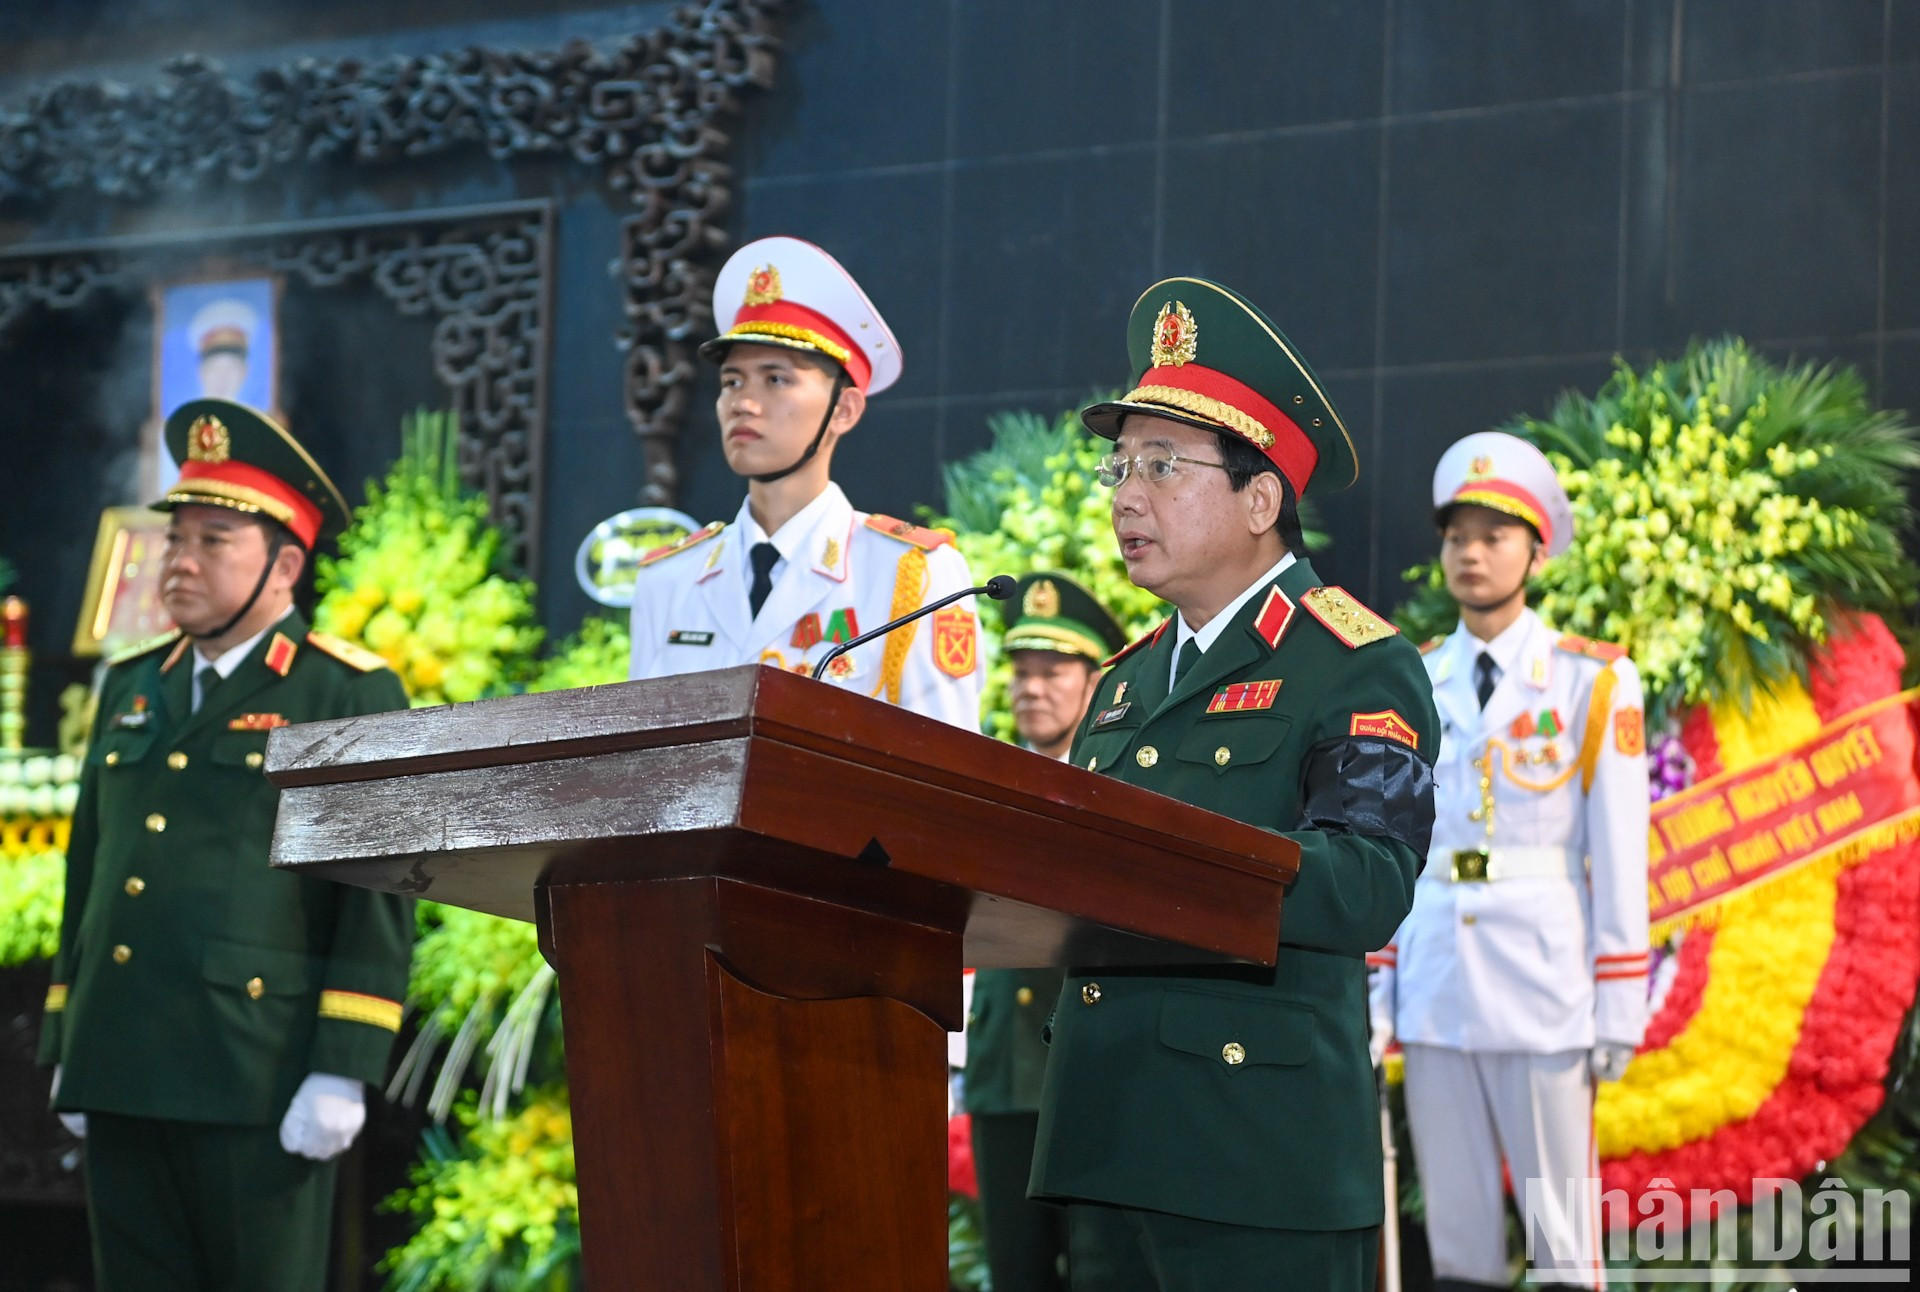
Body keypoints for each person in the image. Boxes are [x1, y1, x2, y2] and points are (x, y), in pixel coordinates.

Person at [1028, 278, 1439, 1290]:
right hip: (1105, 1140)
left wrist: (1167, 863)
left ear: (1261, 500)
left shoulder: (1355, 663)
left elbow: (1368, 881)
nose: (1127, 495)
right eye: (1122, 465)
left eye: (1163, 464)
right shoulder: (1123, 683)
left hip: (1256, 1154)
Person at [39, 398, 414, 1292]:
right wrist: (69, 1035)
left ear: (285, 566)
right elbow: (88, 872)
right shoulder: (133, 685)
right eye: (176, 539)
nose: (181, 561)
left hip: (257, 1070)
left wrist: (343, 1067)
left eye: (214, 541)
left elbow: (375, 897)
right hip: (122, 1059)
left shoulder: (344, 692)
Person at [1368, 431, 1650, 1290]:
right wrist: (1379, 984)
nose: (1472, 553)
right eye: (1457, 536)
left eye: (1494, 535)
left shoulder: (1591, 681)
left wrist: (1620, 1002)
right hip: (1437, 984)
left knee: (1563, 1244)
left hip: (1544, 988)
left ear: (1537, 551)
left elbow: (1619, 852)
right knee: (1459, 1247)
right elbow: (1395, 845)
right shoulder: (1412, 679)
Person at [628, 236, 981, 727]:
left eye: (776, 379)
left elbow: (943, 760)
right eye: (732, 381)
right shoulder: (668, 580)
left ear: (844, 409)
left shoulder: (911, 574)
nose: (743, 403)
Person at [964, 573, 1127, 1292]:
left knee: (1104, 1271)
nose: (1031, 689)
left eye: (1053, 672)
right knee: (1017, 1272)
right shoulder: (983, 783)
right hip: (1006, 1068)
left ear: (1095, 683)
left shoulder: (1120, 786)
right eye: (1021, 671)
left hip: (1094, 1066)